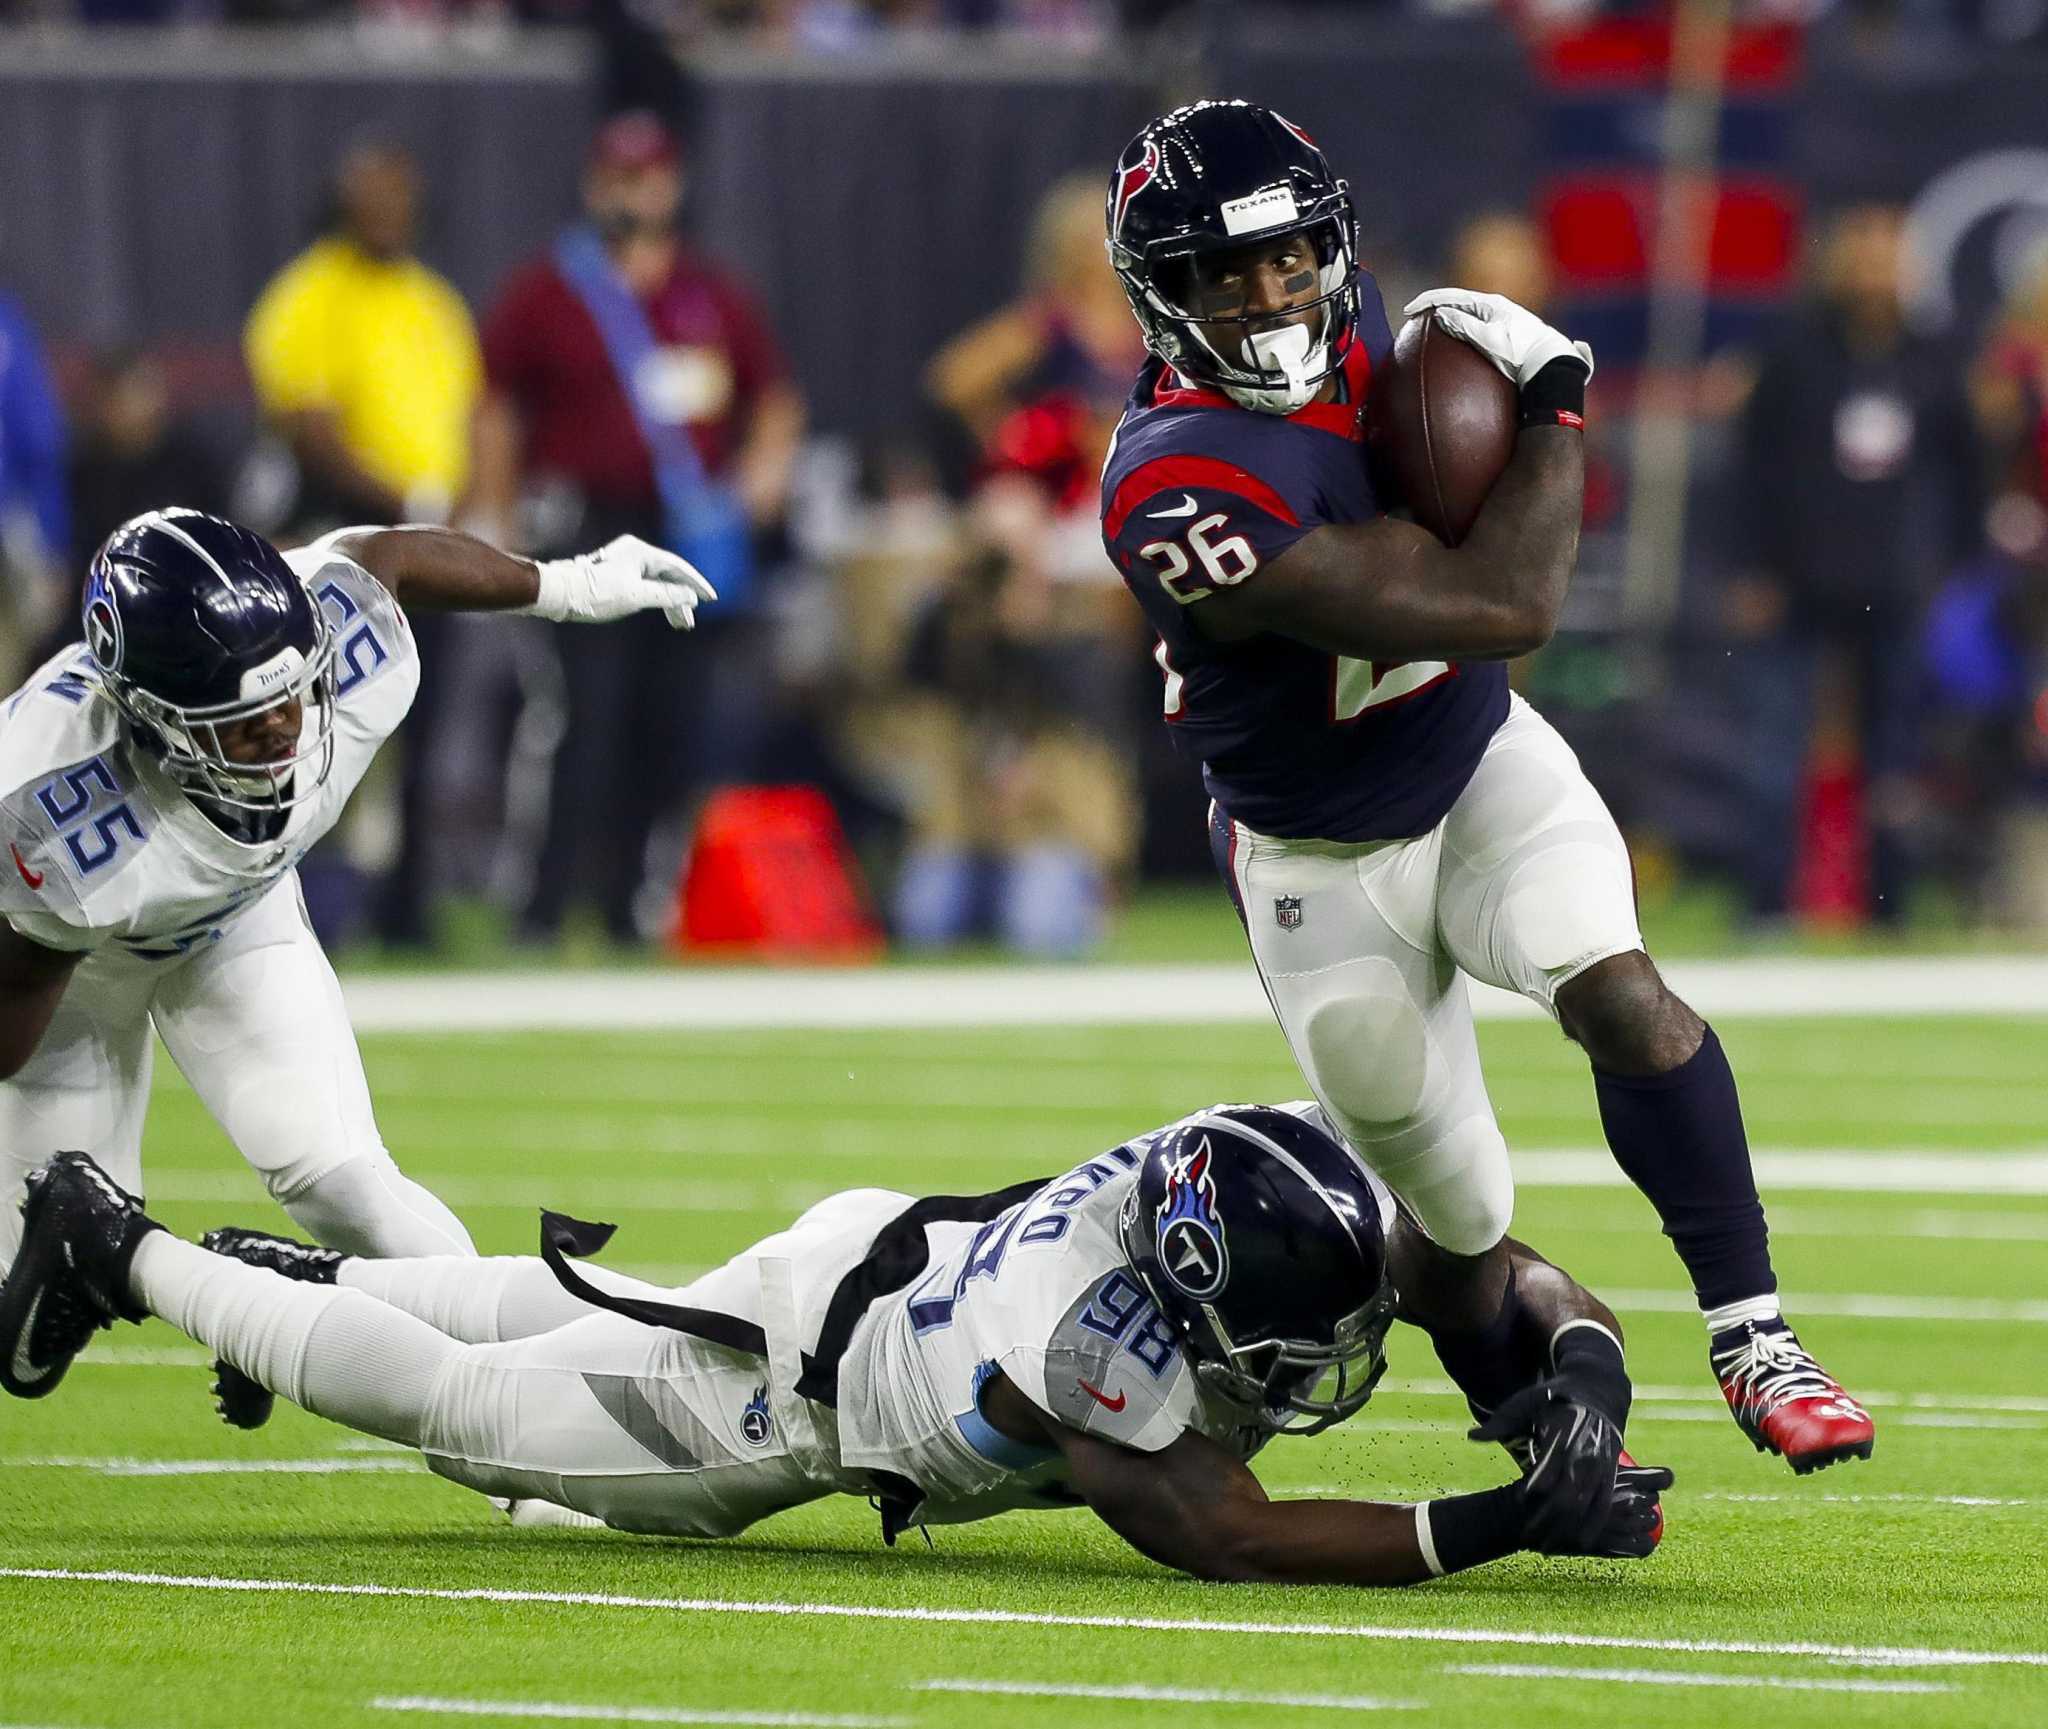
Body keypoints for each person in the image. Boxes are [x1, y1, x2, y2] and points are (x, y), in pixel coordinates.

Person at [1096, 101, 1872, 1473]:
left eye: (1288, 260)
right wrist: (1559, 406)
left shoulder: (1373, 333)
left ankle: (1757, 1336)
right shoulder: (1174, 486)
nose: (1271, 296)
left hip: (1476, 762)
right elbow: (1505, 600)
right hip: (1321, 862)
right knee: (1454, 1226)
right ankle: (1534, 1429)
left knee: (1626, 996)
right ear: (1165, 295)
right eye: (1226, 275)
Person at [0, 1102, 1671, 1582]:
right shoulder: (1080, 1342)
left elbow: (1502, 1269)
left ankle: (294, 1274)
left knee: (548, 1308)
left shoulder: (1285, 1185)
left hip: (862, 1250)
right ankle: (119, 1244)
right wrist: (1491, 1520)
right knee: (465, 1413)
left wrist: (1577, 1382)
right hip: (780, 1402)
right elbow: (1218, 1526)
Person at [0, 508, 715, 1288]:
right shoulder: (49, 809)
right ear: (154, 720)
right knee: (48, 1280)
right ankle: (254, 1298)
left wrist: (571, 584)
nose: (283, 728)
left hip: (240, 916)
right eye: (241, 723)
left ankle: (517, 1352)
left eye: (294, 694)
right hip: (80, 967)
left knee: (348, 1187)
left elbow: (386, 556)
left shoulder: (338, 644)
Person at [472, 111, 806, 943]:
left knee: (669, 719)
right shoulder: (549, 292)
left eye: (647, 174)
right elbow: (496, 407)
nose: (634, 191)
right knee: (578, 716)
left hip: (682, 525)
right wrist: (495, 512)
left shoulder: (708, 292)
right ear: (595, 184)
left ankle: (629, 901)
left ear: (673, 183)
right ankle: (542, 903)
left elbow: (773, 396)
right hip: (584, 521)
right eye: (619, 176)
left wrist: (762, 476)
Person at [243, 139, 487, 947]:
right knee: (312, 727)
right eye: (376, 195)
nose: (390, 212)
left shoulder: (433, 302)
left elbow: (472, 416)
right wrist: (403, 499)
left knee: (424, 722)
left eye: (401, 195)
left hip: (429, 540)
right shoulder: (308, 295)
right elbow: (308, 427)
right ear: (346, 200)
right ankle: (301, 905)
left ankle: (406, 909)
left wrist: (460, 505)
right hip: (341, 536)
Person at [1730, 204, 1979, 927]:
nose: (1873, 268)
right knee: (1774, 749)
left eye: (1887, 251)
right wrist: (1751, 567)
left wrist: (1953, 572)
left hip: (1897, 586)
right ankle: (1766, 908)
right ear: (1834, 260)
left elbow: (1967, 475)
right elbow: (1753, 467)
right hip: (1796, 580)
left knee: (1895, 756)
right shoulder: (1793, 352)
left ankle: (1888, 912)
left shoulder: (1934, 358)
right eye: (1860, 250)